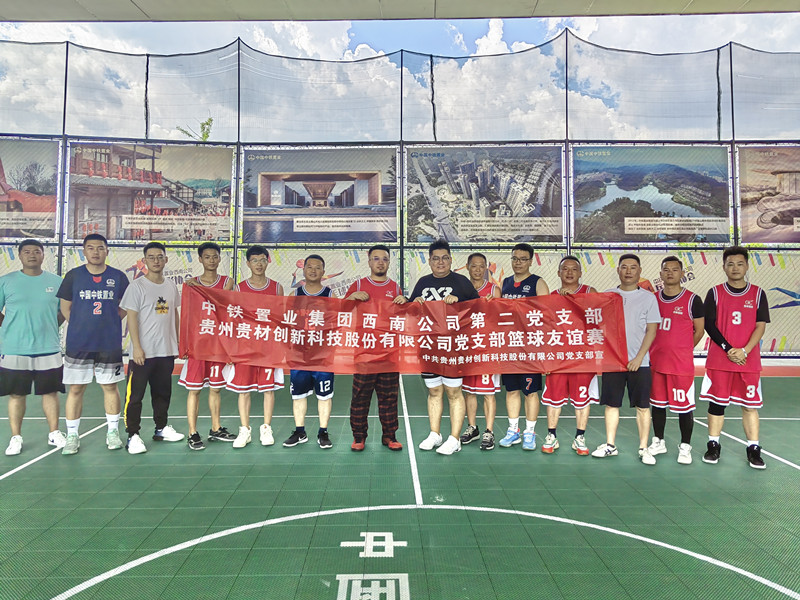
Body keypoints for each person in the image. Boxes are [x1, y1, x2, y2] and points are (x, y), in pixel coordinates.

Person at [58, 234, 129, 455]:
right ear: (84, 251)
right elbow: (65, 308)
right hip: (79, 343)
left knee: (110, 387)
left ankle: (113, 432)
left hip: (109, 343)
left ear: (107, 251)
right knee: (76, 389)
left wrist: (110, 321)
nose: (96, 252)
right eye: (91, 248)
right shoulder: (73, 276)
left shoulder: (118, 277)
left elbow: (125, 305)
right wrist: (81, 325)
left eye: (100, 248)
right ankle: (72, 435)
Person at [700, 246, 770, 469]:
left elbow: (760, 326)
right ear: (724, 267)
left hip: (748, 360)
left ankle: (753, 448)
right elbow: (709, 325)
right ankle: (713, 445)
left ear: (747, 266)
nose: (735, 268)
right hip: (720, 360)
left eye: (740, 264)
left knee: (750, 406)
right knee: (717, 404)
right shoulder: (714, 293)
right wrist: (729, 349)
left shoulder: (758, 294)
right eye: (730, 264)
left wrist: (745, 350)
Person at [409, 239, 479, 456]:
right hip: (429, 347)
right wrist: (415, 303)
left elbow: (479, 309)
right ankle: (435, 434)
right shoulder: (422, 282)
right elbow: (411, 312)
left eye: (444, 258)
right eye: (436, 259)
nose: (440, 262)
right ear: (430, 261)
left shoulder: (462, 282)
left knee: (453, 392)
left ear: (450, 260)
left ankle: (454, 438)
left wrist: (460, 303)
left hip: (454, 348)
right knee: (434, 391)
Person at [592, 253, 661, 464]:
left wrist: (639, 358)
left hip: (640, 363)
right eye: (624, 267)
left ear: (640, 271)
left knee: (643, 406)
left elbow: (651, 330)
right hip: (614, 363)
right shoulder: (607, 296)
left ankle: (644, 448)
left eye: (633, 267)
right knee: (612, 405)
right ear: (618, 270)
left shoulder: (649, 298)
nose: (628, 271)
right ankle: (610, 445)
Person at [1, 239, 65, 455]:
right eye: (27, 251)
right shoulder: (6, 281)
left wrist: (50, 326)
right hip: (14, 349)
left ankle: (54, 433)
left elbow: (63, 311)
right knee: (17, 394)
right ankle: (16, 437)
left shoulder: (57, 282)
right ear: (20, 255)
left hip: (49, 347)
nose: (31, 255)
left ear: (43, 255)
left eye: (36, 251)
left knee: (50, 392)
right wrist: (10, 328)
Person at [119, 242, 185, 455]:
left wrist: (177, 342)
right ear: (144, 260)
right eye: (151, 257)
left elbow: (174, 314)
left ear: (166, 259)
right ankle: (133, 435)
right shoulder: (136, 286)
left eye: (160, 257)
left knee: (162, 393)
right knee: (135, 396)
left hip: (166, 351)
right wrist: (137, 347)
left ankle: (161, 428)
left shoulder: (171, 286)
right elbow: (131, 318)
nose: (156, 260)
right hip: (143, 353)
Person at [345, 244, 406, 452]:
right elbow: (342, 310)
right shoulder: (358, 285)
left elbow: (403, 317)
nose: (381, 262)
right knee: (360, 397)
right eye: (376, 258)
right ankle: (359, 437)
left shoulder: (395, 288)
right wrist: (351, 298)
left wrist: (404, 302)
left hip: (389, 353)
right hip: (364, 353)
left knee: (389, 397)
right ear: (369, 261)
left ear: (389, 262)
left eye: (385, 259)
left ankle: (389, 436)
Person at [646, 256, 704, 465]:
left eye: (675, 269)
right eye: (666, 270)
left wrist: (683, 349)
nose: (670, 273)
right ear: (660, 274)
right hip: (656, 363)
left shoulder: (693, 300)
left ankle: (685, 446)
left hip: (680, 366)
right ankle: (658, 441)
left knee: (684, 407)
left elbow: (699, 330)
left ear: (682, 273)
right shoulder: (652, 299)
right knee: (658, 405)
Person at [179, 242, 236, 450]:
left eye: (214, 256)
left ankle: (215, 428)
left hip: (218, 346)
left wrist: (230, 349)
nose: (211, 260)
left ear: (219, 258)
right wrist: (185, 345)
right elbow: (186, 316)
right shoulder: (190, 285)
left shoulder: (227, 282)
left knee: (215, 389)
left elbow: (224, 307)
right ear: (200, 259)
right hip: (198, 346)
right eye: (207, 257)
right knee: (194, 390)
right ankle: (192, 433)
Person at [227, 245, 285, 449]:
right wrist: (232, 349)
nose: (259, 264)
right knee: (243, 390)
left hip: (268, 347)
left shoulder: (277, 288)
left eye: (262, 260)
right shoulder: (239, 288)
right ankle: (245, 429)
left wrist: (280, 346)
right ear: (248, 263)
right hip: (245, 347)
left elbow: (280, 319)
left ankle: (266, 428)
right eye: (254, 260)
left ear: (268, 261)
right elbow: (234, 320)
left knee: (268, 389)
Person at [540, 256, 598, 456]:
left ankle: (580, 437)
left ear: (580, 273)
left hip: (583, 358)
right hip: (558, 358)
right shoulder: (552, 297)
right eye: (565, 269)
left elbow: (598, 318)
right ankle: (551, 436)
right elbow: (545, 328)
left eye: (574, 269)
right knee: (554, 399)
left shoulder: (590, 292)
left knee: (582, 400)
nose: (570, 272)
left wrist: (574, 300)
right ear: (559, 273)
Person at [499, 243, 549, 450]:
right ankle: (513, 431)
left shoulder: (538, 283)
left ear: (530, 261)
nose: (518, 262)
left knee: (530, 392)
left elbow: (547, 314)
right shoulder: (505, 283)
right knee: (512, 390)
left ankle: (530, 432)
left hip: (530, 349)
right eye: (515, 258)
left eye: (522, 259)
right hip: (510, 347)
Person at [284, 254, 336, 449]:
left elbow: (337, 323)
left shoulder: (330, 295)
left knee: (324, 395)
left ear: (323, 272)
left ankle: (323, 432)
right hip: (299, 354)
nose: (313, 270)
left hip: (322, 355)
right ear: (304, 270)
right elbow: (287, 322)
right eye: (310, 267)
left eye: (317, 267)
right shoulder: (295, 295)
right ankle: (300, 431)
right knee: (298, 395)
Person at [459, 252, 501, 451]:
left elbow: (501, 318)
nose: (477, 269)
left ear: (486, 268)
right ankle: (472, 427)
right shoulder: (461, 289)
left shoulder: (494, 290)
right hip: (467, 347)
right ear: (467, 267)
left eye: (481, 266)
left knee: (488, 392)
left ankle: (489, 430)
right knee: (469, 391)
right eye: (474, 266)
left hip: (487, 348)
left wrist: (493, 306)